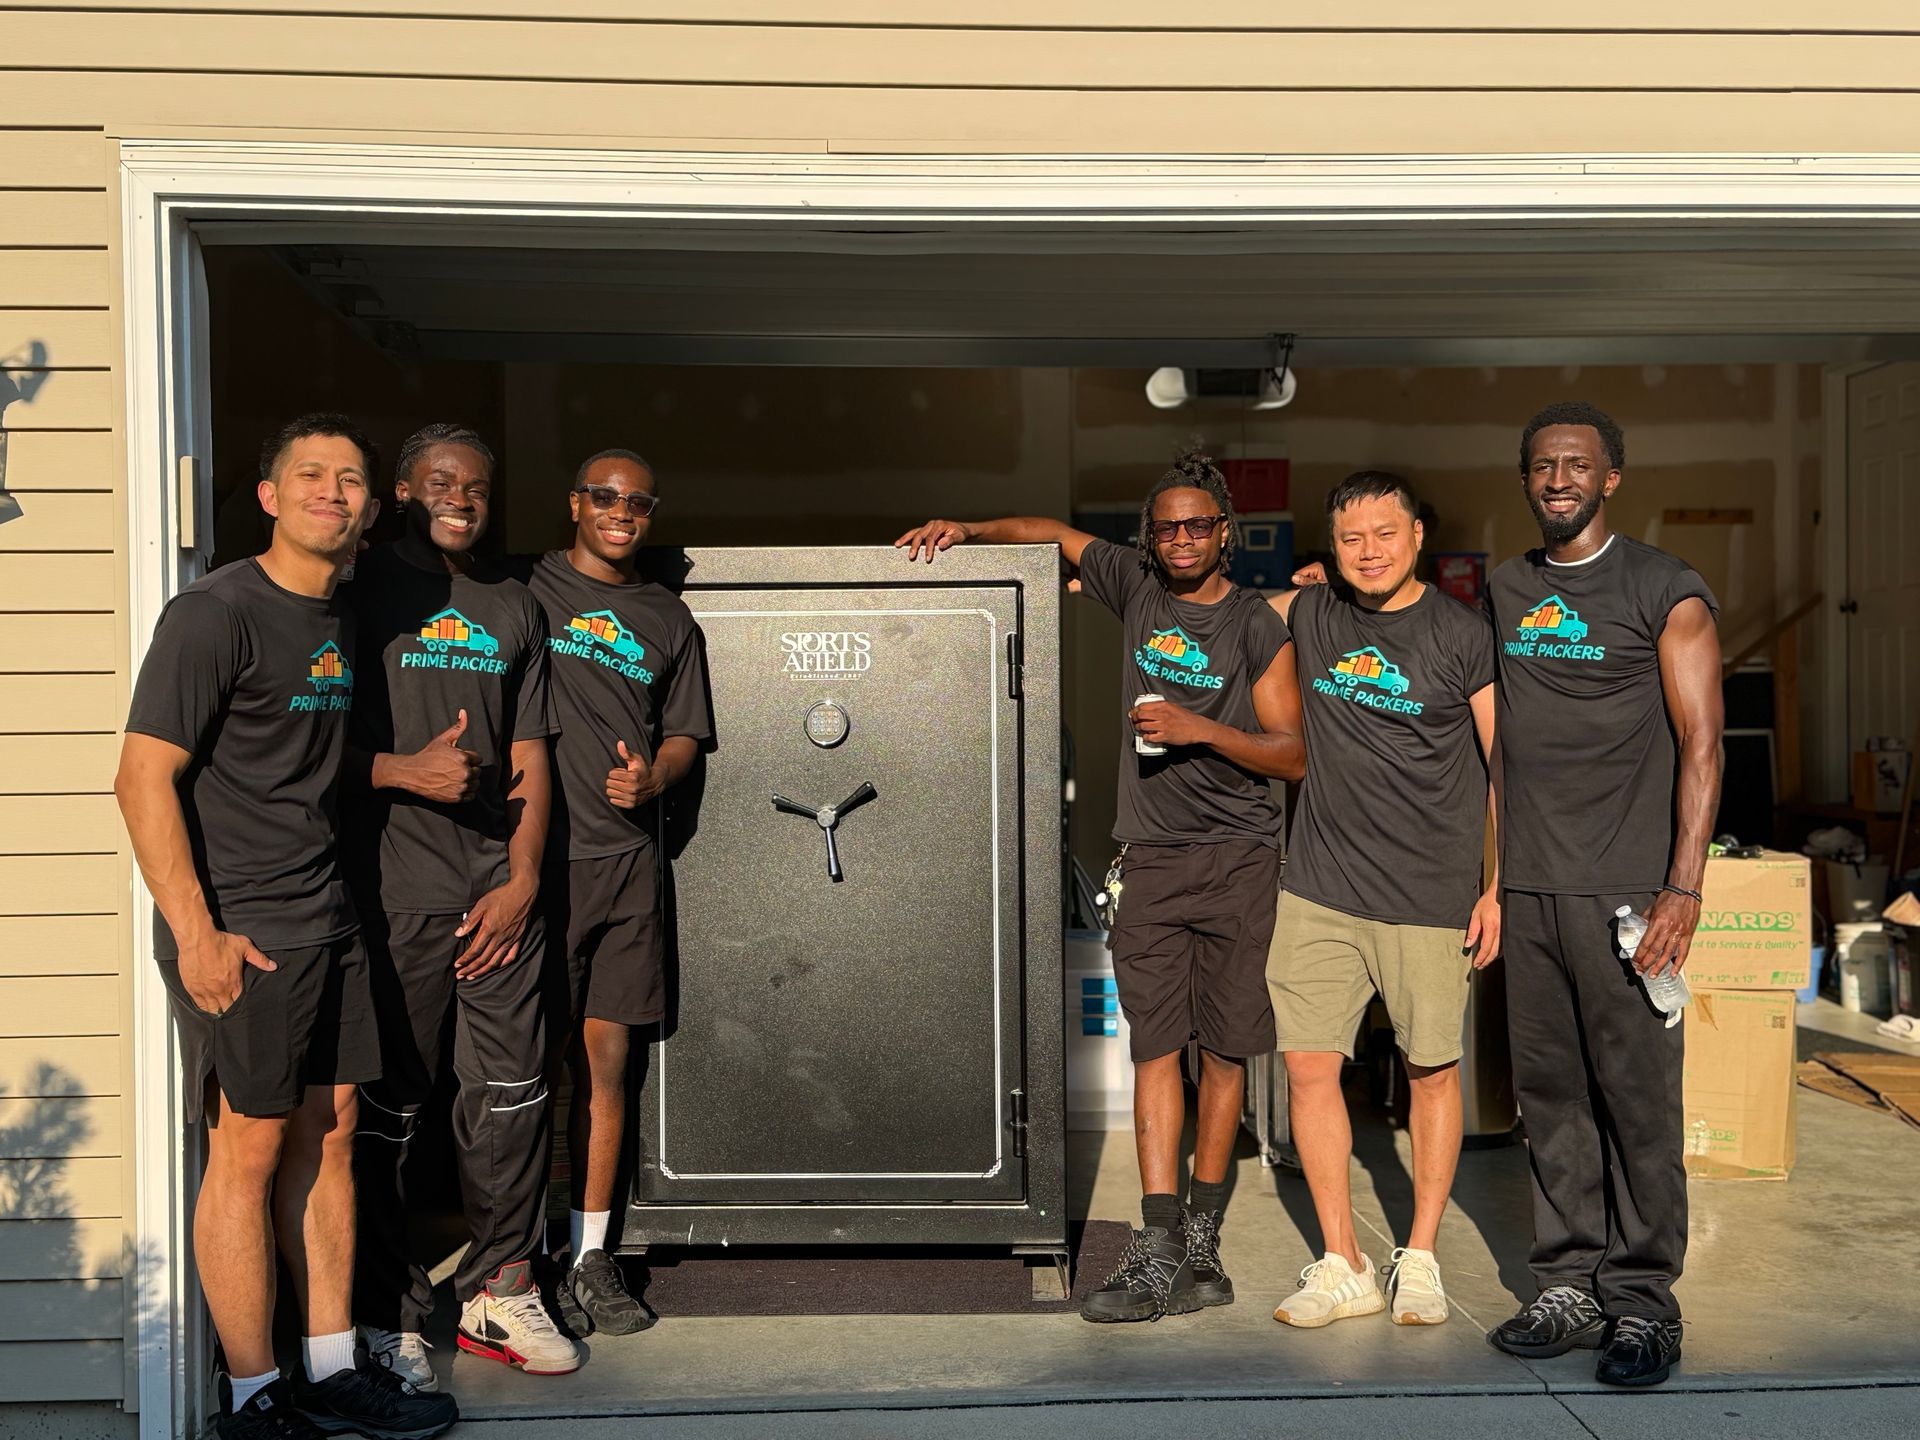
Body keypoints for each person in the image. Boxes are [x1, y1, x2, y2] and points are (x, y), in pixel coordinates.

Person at [897, 448, 1305, 1323]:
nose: (1184, 538)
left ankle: (1203, 1241)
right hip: (1151, 857)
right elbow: (1047, 531)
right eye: (1168, 527)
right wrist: (966, 528)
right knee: (1154, 1045)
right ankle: (1156, 1245)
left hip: (1239, 860)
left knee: (1225, 1052)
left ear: (1225, 533)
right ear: (1150, 540)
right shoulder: (1137, 589)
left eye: (1200, 525)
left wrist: (1198, 728)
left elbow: (1293, 752)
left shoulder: (1255, 627)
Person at [114, 415, 457, 1440]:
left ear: (370, 505)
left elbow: (309, 763)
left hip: (329, 916)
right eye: (310, 475)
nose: (332, 492)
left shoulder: (336, 616)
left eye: (351, 478)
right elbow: (142, 779)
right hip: (246, 933)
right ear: (268, 496)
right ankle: (253, 1395)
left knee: (335, 1134)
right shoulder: (213, 613)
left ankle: (327, 1366)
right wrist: (199, 933)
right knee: (251, 1152)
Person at [1483, 402, 1723, 1388]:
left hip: (1630, 890)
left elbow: (1704, 743)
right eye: (1542, 465)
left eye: (1577, 465)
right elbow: (1492, 749)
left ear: (1611, 478)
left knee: (1635, 1102)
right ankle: (1569, 1286)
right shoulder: (1505, 590)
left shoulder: (1666, 589)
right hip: (1533, 886)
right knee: (1550, 1099)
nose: (1557, 479)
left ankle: (1642, 1305)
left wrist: (1683, 887)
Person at [345, 424, 581, 1383]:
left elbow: (532, 756)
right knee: (389, 1107)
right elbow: (294, 742)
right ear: (403, 489)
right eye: (442, 482)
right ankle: (383, 1311)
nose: (461, 498)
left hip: (496, 897)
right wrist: (405, 769)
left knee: (513, 1097)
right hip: (392, 893)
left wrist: (524, 879)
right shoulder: (355, 595)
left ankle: (498, 1291)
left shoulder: (510, 604)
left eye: (477, 487)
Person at [1262, 471, 1500, 1331]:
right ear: (1332, 547)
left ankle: (1422, 1257)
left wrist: (1496, 886)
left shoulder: (1463, 636)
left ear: (1419, 535)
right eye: (1351, 538)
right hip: (1319, 888)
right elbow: (1212, 613)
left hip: (1429, 896)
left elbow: (1504, 767)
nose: (1368, 552)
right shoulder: (1313, 613)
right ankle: (1343, 1263)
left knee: (1433, 1070)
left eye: (1385, 535)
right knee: (1308, 1067)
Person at [524, 448, 713, 1338]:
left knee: (607, 1070)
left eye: (637, 501)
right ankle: (522, 1266)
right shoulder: (524, 593)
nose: (621, 511)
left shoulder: (668, 618)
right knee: (526, 1074)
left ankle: (594, 1256)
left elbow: (685, 736)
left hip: (630, 870)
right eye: (604, 496)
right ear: (575, 504)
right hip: (537, 873)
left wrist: (655, 781)